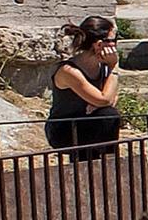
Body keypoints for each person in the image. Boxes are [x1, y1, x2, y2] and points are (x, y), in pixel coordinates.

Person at [46, 16, 123, 161]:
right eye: (113, 40)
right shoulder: (69, 70)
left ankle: (107, 162)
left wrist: (99, 104)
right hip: (65, 128)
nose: (115, 45)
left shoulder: (103, 66)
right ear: (99, 44)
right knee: (108, 115)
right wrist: (114, 68)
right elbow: (104, 98)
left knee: (109, 114)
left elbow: (112, 98)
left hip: (91, 120)